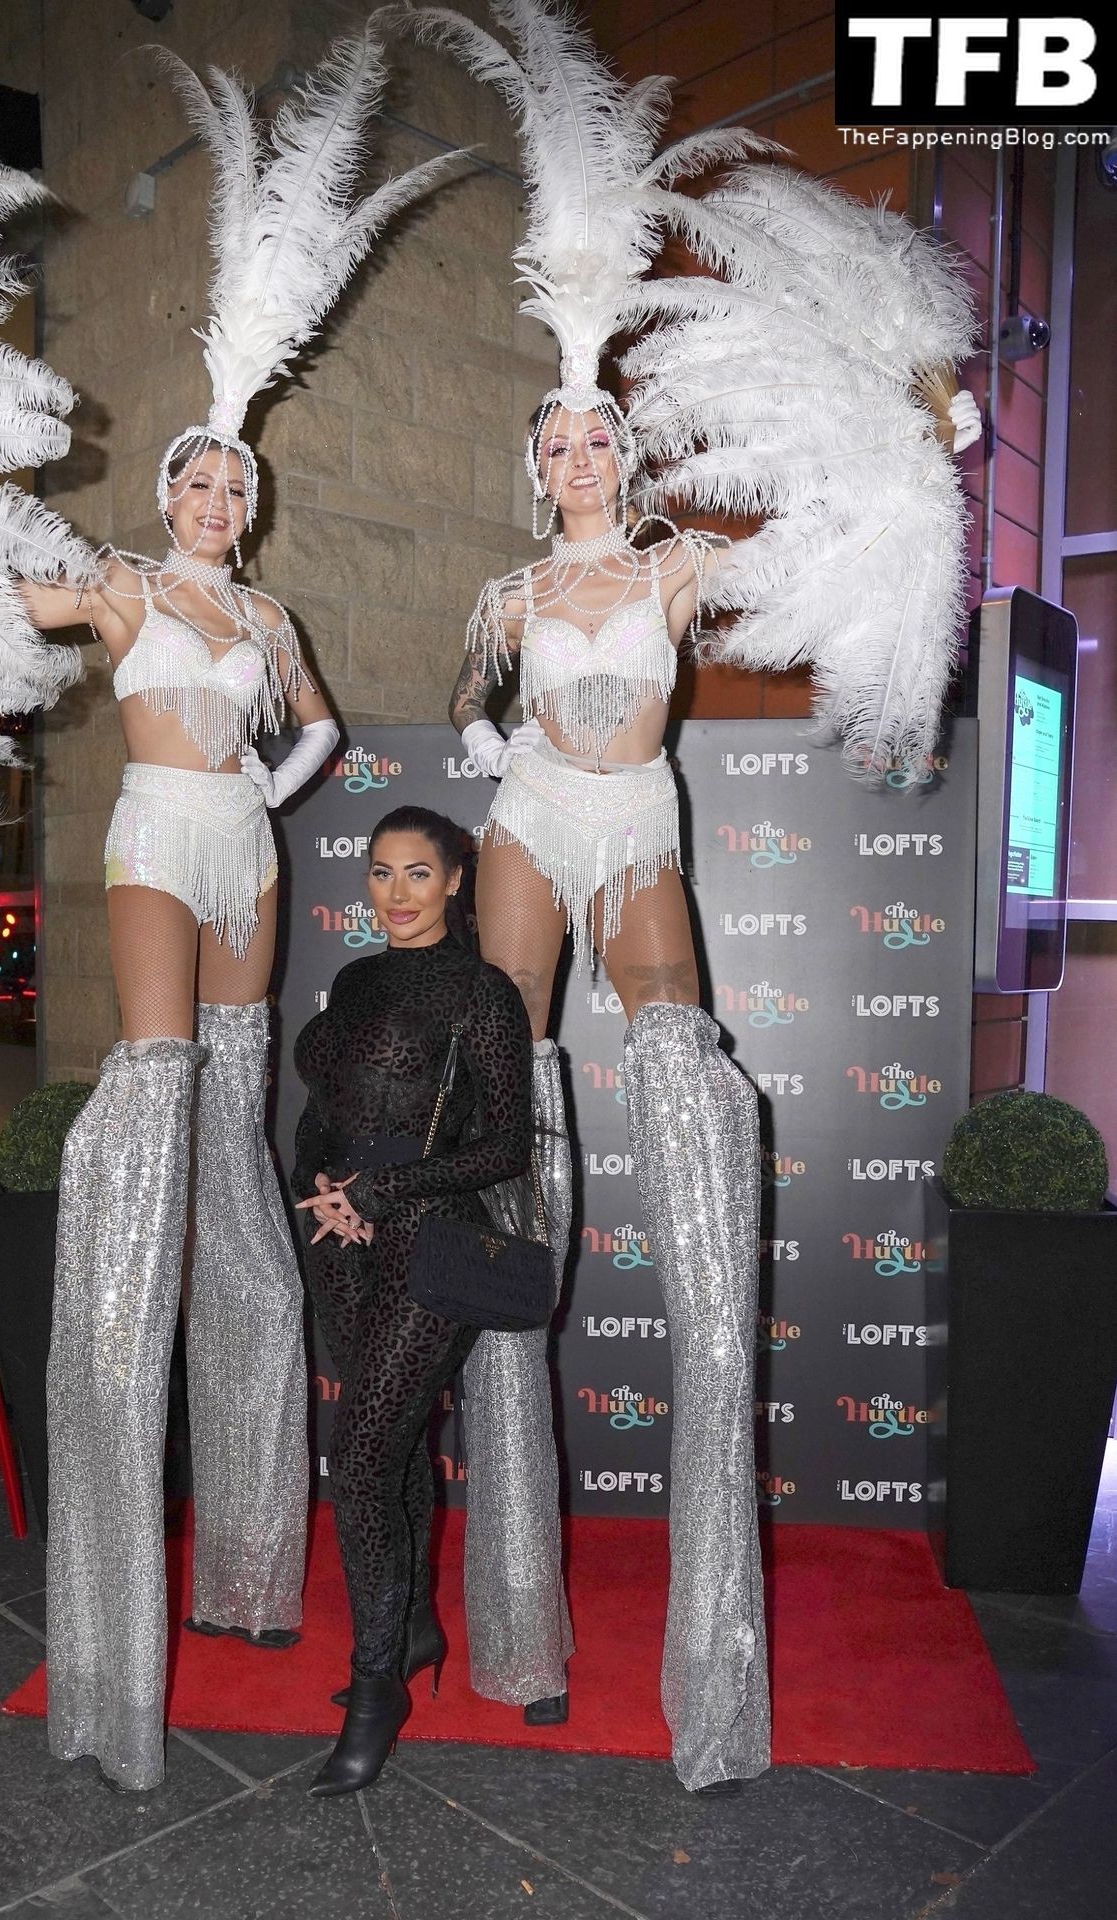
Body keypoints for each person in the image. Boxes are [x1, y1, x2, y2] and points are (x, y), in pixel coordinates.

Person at [0, 36, 462, 1797]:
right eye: (194, 483)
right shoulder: (115, 586)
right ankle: (108, 1605)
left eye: (232, 487)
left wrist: (275, 787)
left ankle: (249, 1558)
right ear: (167, 493)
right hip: (156, 843)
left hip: (244, 849)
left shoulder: (266, 618)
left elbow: (314, 724)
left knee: (237, 1155)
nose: (213, 501)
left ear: (251, 500)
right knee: (152, 1117)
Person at [419, 0, 980, 1793]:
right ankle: (512, 1609)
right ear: (534, 463)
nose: (580, 458)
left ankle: (710, 1636)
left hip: (637, 819)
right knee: (500, 1111)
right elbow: (465, 706)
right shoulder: (506, 600)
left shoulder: (669, 569)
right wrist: (495, 760)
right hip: (531, 820)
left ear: (621, 452)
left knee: (679, 1069)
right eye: (558, 444)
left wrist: (919, 437)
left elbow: (812, 544)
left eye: (599, 438)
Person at [292, 807, 534, 1795]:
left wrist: (382, 1194)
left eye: (418, 874)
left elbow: (505, 1146)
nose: (396, 894)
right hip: (339, 1241)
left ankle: (374, 1685)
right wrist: (323, 1189)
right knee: (387, 1451)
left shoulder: (482, 993)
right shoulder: (356, 980)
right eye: (381, 873)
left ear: (455, 880)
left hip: (427, 1241)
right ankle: (416, 1627)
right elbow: (327, 1112)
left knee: (356, 1463)